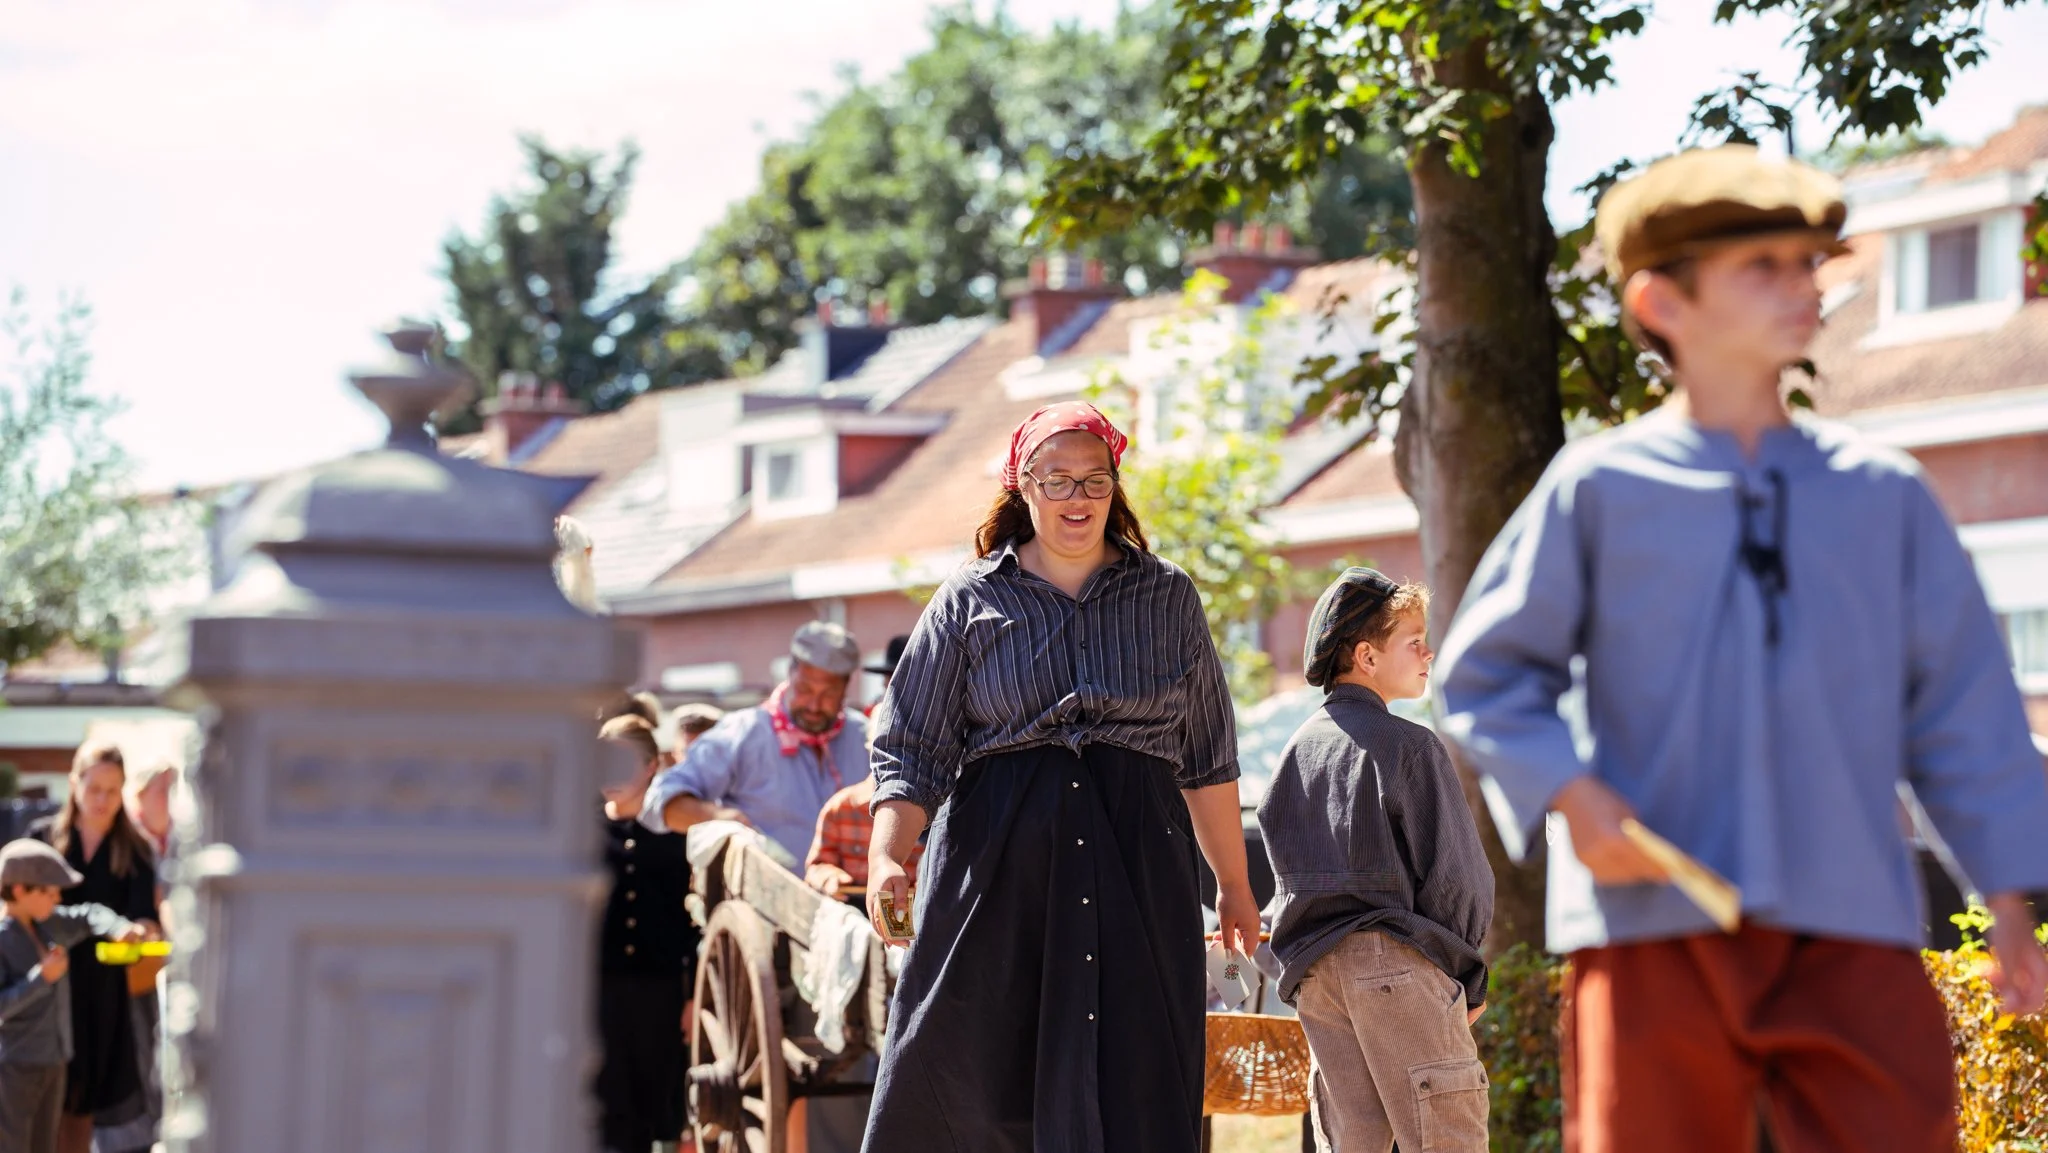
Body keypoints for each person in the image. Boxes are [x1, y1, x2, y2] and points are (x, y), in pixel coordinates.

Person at [1434, 146, 2048, 1153]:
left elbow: (1960, 711)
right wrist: (1571, 796)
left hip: (1850, 918)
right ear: (1660, 301)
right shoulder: (1598, 488)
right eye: (1760, 265)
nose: (1801, 285)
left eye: (1806, 263)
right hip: (1648, 929)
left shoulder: (1881, 495)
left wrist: (2007, 895)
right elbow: (1486, 673)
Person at [861, 401, 1258, 1153]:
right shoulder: (969, 599)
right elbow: (912, 745)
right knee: (973, 1070)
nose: (1078, 498)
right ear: (1022, 485)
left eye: (1093, 480)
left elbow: (1207, 751)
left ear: (1114, 487)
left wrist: (1233, 884)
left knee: (1138, 1073)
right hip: (998, 865)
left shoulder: (1167, 595)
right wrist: (888, 853)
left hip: (1139, 862)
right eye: (1057, 480)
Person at [1258, 569, 1494, 1152]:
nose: (1428, 651)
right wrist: (1464, 972)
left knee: (1352, 1145)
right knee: (1447, 1140)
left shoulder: (1294, 753)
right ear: (1366, 655)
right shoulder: (1407, 744)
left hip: (1318, 979)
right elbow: (1459, 877)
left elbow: (1284, 884)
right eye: (1413, 640)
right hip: (1397, 964)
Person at [641, 623, 870, 863]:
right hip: (764, 897)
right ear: (790, 674)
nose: (814, 705)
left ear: (846, 687)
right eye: (805, 689)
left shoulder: (867, 738)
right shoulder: (742, 733)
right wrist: (716, 817)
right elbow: (660, 799)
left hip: (853, 898)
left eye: (829, 694)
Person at [26, 746, 160, 1153]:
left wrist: (141, 932)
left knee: (82, 1111)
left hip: (103, 995)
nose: (103, 800)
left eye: (113, 791)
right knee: (38, 1108)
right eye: (95, 788)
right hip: (46, 992)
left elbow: (145, 918)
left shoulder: (135, 849)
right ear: (75, 784)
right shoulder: (42, 839)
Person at [0, 840, 150, 1153]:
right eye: (49, 891)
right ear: (19, 892)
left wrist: (118, 928)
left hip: (54, 1061)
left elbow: (89, 914)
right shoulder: (3, 938)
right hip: (15, 1068)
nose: (58, 898)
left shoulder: (48, 924)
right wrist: (42, 978)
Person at [594, 715, 697, 1153]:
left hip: (663, 993)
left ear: (652, 765)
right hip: (600, 991)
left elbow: (694, 919)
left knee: (659, 1102)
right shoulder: (582, 832)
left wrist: (694, 995)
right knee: (607, 1104)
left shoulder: (677, 834)